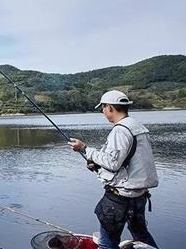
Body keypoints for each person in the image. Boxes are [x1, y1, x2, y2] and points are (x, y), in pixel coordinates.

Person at [68, 90, 159, 249]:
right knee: (140, 235)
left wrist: (85, 149)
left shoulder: (120, 130)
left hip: (120, 199)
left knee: (107, 242)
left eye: (103, 108)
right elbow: (129, 161)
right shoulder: (136, 126)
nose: (103, 112)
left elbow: (112, 163)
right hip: (138, 195)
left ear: (109, 107)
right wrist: (97, 165)